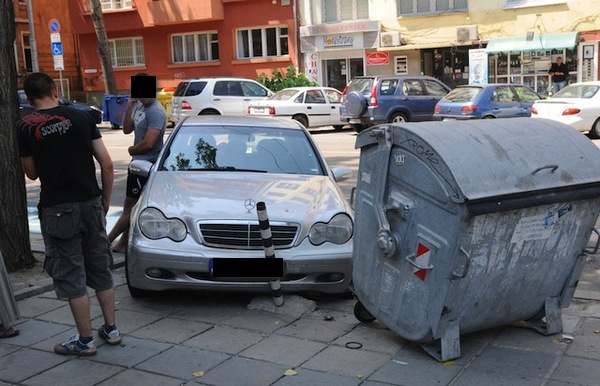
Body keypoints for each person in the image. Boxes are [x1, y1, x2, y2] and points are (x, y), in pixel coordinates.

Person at [16, 72, 120, 356]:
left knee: (72, 273)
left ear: (28, 97)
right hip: (90, 203)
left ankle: (84, 340)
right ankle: (111, 329)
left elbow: (32, 174)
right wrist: (105, 201)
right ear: (54, 89)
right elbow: (108, 165)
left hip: (58, 208)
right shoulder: (83, 117)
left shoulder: (25, 126)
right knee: (100, 267)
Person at [108, 74, 167, 253]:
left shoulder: (156, 112)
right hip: (137, 164)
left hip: (146, 165)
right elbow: (126, 129)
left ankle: (106, 240)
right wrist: (129, 107)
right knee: (132, 208)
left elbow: (149, 143)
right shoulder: (139, 106)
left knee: (129, 207)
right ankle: (122, 244)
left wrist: (131, 151)